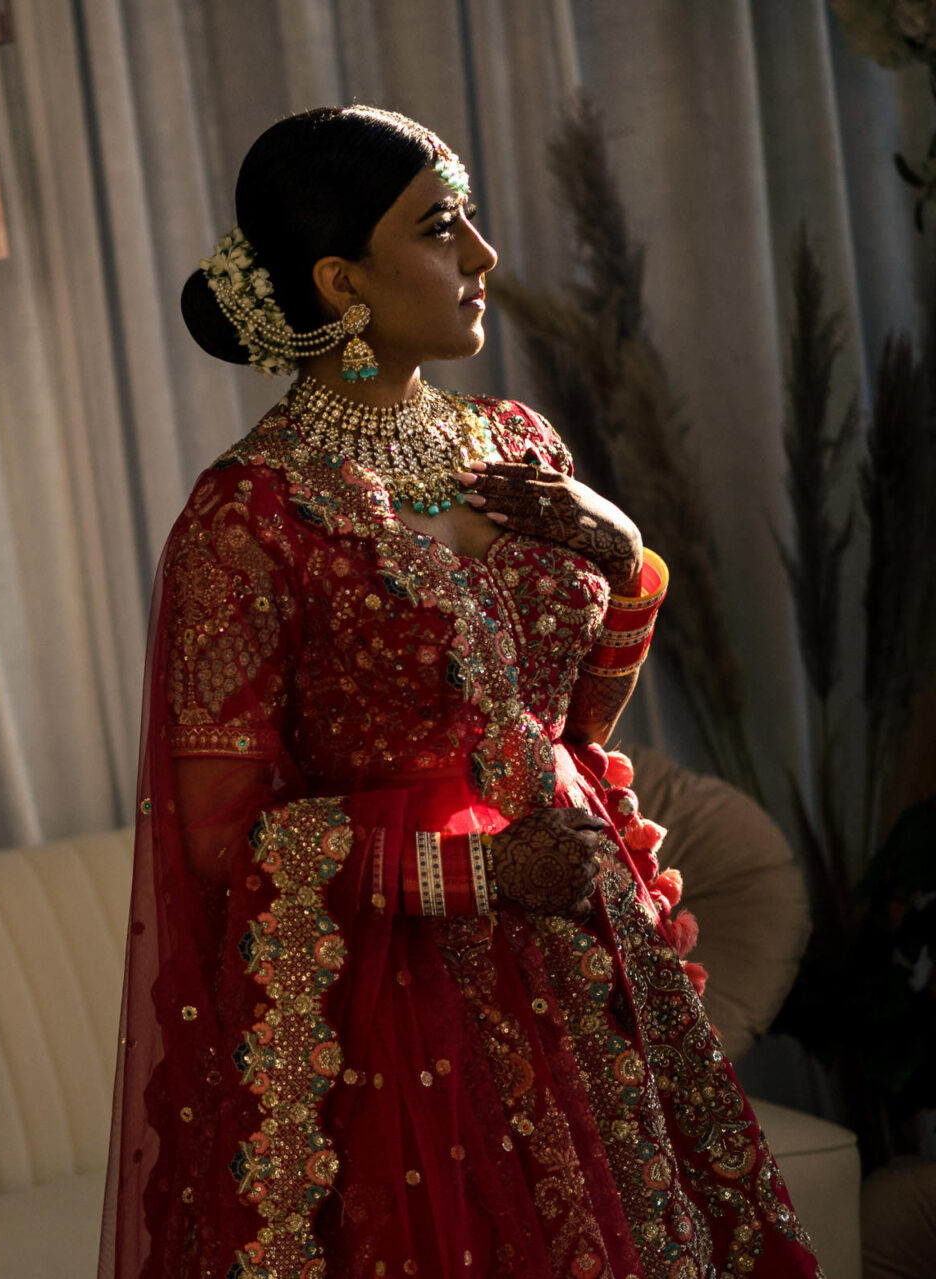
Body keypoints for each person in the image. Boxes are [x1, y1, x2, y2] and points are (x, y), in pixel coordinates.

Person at [99, 106, 823, 1279]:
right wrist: (481, 870)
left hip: (584, 949)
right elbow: (224, 840)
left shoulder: (516, 442)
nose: (484, 256)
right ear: (341, 280)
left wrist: (626, 555)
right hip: (407, 1007)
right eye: (443, 229)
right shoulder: (249, 519)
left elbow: (571, 723)